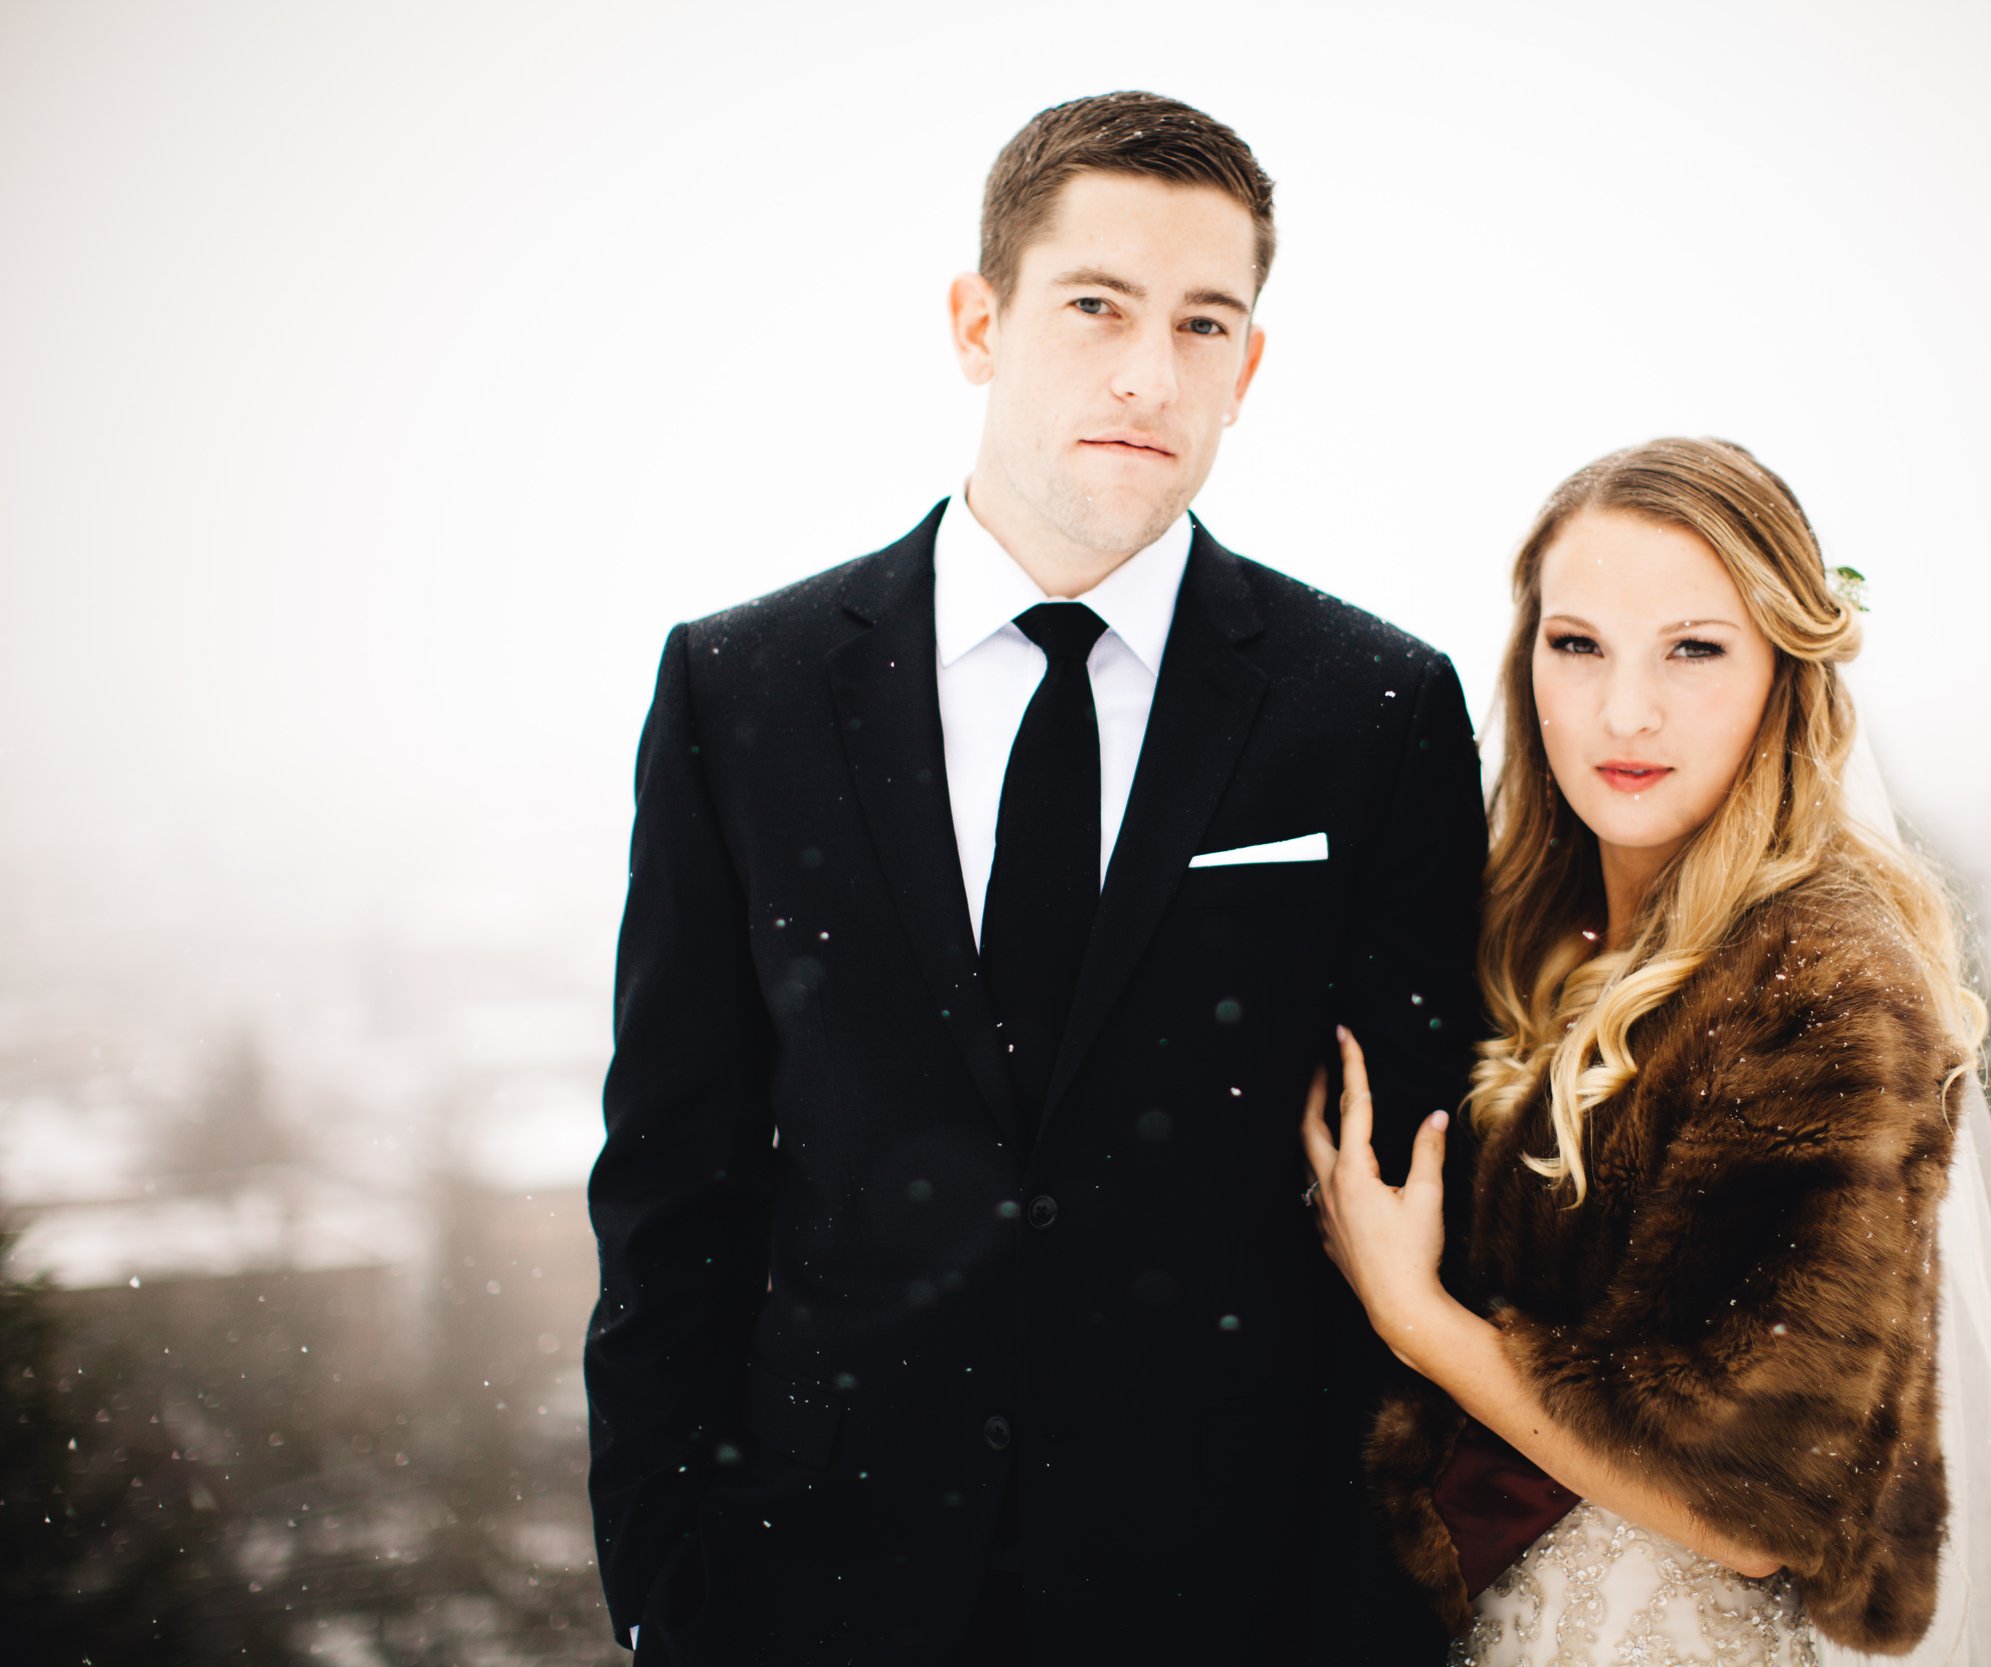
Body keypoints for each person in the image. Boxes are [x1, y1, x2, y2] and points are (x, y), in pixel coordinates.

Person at [583, 91, 1481, 1664]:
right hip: (818, 1586)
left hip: (1238, 1592)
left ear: (1250, 365)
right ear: (976, 321)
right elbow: (674, 1182)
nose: (1152, 372)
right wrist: (669, 1587)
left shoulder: (1375, 710)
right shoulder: (745, 690)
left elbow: (1413, 1174)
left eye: (1208, 323)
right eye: (1097, 306)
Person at [1304, 438, 1991, 1664]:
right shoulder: (1524, 928)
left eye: (1694, 647)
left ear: (1784, 674)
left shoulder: (1822, 980)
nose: (1626, 710)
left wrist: (1414, 1312)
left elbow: (1751, 1510)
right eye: (1577, 646)